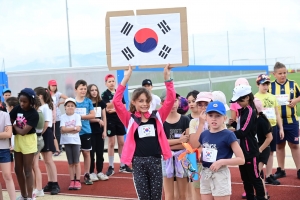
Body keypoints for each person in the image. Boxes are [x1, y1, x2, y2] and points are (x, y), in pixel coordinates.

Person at [113, 64, 174, 200]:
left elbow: (170, 100)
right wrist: (125, 78)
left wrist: (167, 79)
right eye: (141, 101)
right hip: (138, 163)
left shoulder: (157, 116)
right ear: (134, 102)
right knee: (144, 197)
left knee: (156, 197)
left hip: (155, 161)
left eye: (147, 101)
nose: (145, 104)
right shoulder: (129, 118)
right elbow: (116, 101)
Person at [199, 101, 245, 200]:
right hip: (205, 173)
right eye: (210, 115)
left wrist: (221, 162)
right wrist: (194, 158)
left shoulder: (228, 135)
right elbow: (202, 153)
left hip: (220, 175)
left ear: (224, 118)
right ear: (206, 117)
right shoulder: (204, 134)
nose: (214, 118)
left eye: (218, 115)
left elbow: (241, 159)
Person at [229, 85, 267, 200]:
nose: (238, 103)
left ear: (247, 98)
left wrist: (227, 133)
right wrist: (235, 125)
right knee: (245, 179)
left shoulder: (250, 111)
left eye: (240, 100)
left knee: (255, 178)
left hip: (250, 151)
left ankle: (261, 197)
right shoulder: (244, 111)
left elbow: (244, 132)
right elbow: (244, 128)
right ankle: (250, 197)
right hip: (243, 151)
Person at [269, 62, 300, 179]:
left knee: (294, 145)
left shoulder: (293, 84)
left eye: (285, 73)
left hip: (291, 121)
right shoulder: (270, 86)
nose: (283, 75)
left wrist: (296, 100)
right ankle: (281, 169)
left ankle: (299, 169)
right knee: (279, 145)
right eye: (280, 73)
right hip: (276, 121)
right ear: (274, 74)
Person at [10, 88, 39, 200]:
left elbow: (23, 131)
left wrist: (13, 126)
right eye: (20, 101)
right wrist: (12, 126)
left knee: (27, 170)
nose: (21, 104)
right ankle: (24, 195)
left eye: (24, 102)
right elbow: (9, 119)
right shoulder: (17, 108)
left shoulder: (34, 114)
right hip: (18, 140)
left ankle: (31, 196)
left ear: (31, 102)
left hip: (28, 140)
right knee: (17, 169)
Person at [255, 74, 283, 185]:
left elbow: (277, 113)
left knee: (271, 152)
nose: (265, 86)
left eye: (267, 84)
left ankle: (269, 175)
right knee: (260, 151)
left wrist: (281, 128)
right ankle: (259, 173)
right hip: (260, 128)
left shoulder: (272, 97)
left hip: (272, 126)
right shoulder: (255, 98)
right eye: (263, 84)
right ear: (258, 85)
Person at [161, 92, 190, 200]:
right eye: (169, 101)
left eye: (175, 101)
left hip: (182, 158)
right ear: (162, 103)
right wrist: (179, 141)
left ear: (178, 102)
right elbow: (161, 143)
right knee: (169, 196)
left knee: (183, 195)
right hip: (166, 158)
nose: (172, 104)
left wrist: (168, 144)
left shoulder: (185, 120)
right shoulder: (161, 121)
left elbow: (187, 142)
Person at [102, 74, 132, 176]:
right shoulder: (104, 94)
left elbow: (123, 106)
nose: (111, 83)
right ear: (106, 83)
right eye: (109, 81)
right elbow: (106, 107)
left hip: (119, 120)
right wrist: (115, 105)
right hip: (110, 120)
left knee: (121, 142)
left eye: (113, 81)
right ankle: (111, 166)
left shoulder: (119, 93)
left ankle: (123, 165)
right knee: (111, 143)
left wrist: (114, 108)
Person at [34, 87, 60, 195]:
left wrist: (40, 134)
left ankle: (55, 183)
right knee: (45, 160)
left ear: (40, 96)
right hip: (43, 134)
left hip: (46, 133)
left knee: (49, 160)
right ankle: (50, 182)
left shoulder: (46, 107)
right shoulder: (42, 107)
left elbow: (46, 123)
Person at [189, 92, 213, 200]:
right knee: (197, 191)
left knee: (213, 192)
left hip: (212, 162)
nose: (203, 107)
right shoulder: (193, 122)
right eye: (200, 105)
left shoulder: (217, 121)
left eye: (206, 104)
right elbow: (194, 144)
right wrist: (202, 124)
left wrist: (201, 148)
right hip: (195, 161)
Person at [74, 79, 95, 185]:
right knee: (76, 154)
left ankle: (87, 174)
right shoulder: (72, 101)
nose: (83, 90)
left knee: (86, 153)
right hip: (74, 132)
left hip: (86, 131)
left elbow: (93, 115)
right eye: (81, 88)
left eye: (85, 88)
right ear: (76, 90)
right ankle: (75, 176)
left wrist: (80, 116)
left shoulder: (88, 101)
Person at [87, 84, 109, 181]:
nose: (94, 92)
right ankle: (91, 172)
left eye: (96, 90)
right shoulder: (87, 103)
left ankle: (99, 171)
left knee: (100, 153)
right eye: (92, 90)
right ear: (89, 91)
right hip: (90, 131)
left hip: (100, 132)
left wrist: (104, 131)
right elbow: (87, 118)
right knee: (91, 153)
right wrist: (97, 120)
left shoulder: (101, 103)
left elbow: (104, 117)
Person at [60, 98, 82, 190]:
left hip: (76, 142)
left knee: (76, 162)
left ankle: (77, 181)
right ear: (65, 107)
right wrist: (73, 128)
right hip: (66, 142)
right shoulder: (62, 117)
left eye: (72, 106)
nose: (70, 107)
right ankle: (72, 180)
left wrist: (69, 129)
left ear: (75, 107)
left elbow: (79, 128)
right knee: (70, 163)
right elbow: (62, 130)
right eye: (68, 106)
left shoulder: (77, 116)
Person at [253, 98, 273, 198]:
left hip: (263, 149)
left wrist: (260, 149)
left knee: (256, 173)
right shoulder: (253, 120)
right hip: (256, 150)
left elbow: (270, 138)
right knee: (258, 173)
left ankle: (263, 195)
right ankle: (264, 193)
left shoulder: (262, 121)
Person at [48, 79, 68, 155]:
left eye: (55, 85)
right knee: (51, 132)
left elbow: (67, 98)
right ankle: (53, 147)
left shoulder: (58, 94)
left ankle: (59, 148)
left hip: (57, 115)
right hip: (49, 115)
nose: (53, 87)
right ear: (49, 86)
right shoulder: (47, 94)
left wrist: (60, 102)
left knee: (57, 132)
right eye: (52, 85)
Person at [0, 107, 16, 200]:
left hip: (4, 149)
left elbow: (8, 134)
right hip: (4, 147)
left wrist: (5, 134)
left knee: (7, 175)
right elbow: (5, 134)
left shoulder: (5, 115)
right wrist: (2, 134)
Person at [32, 96, 45, 197]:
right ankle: (38, 188)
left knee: (34, 166)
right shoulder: (40, 112)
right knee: (34, 165)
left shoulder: (36, 113)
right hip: (39, 139)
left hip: (36, 140)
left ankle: (37, 188)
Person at [5, 97, 19, 162]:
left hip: (17, 145)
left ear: (12, 107)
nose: (6, 108)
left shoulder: (16, 118)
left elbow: (14, 133)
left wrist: (13, 145)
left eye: (7, 106)